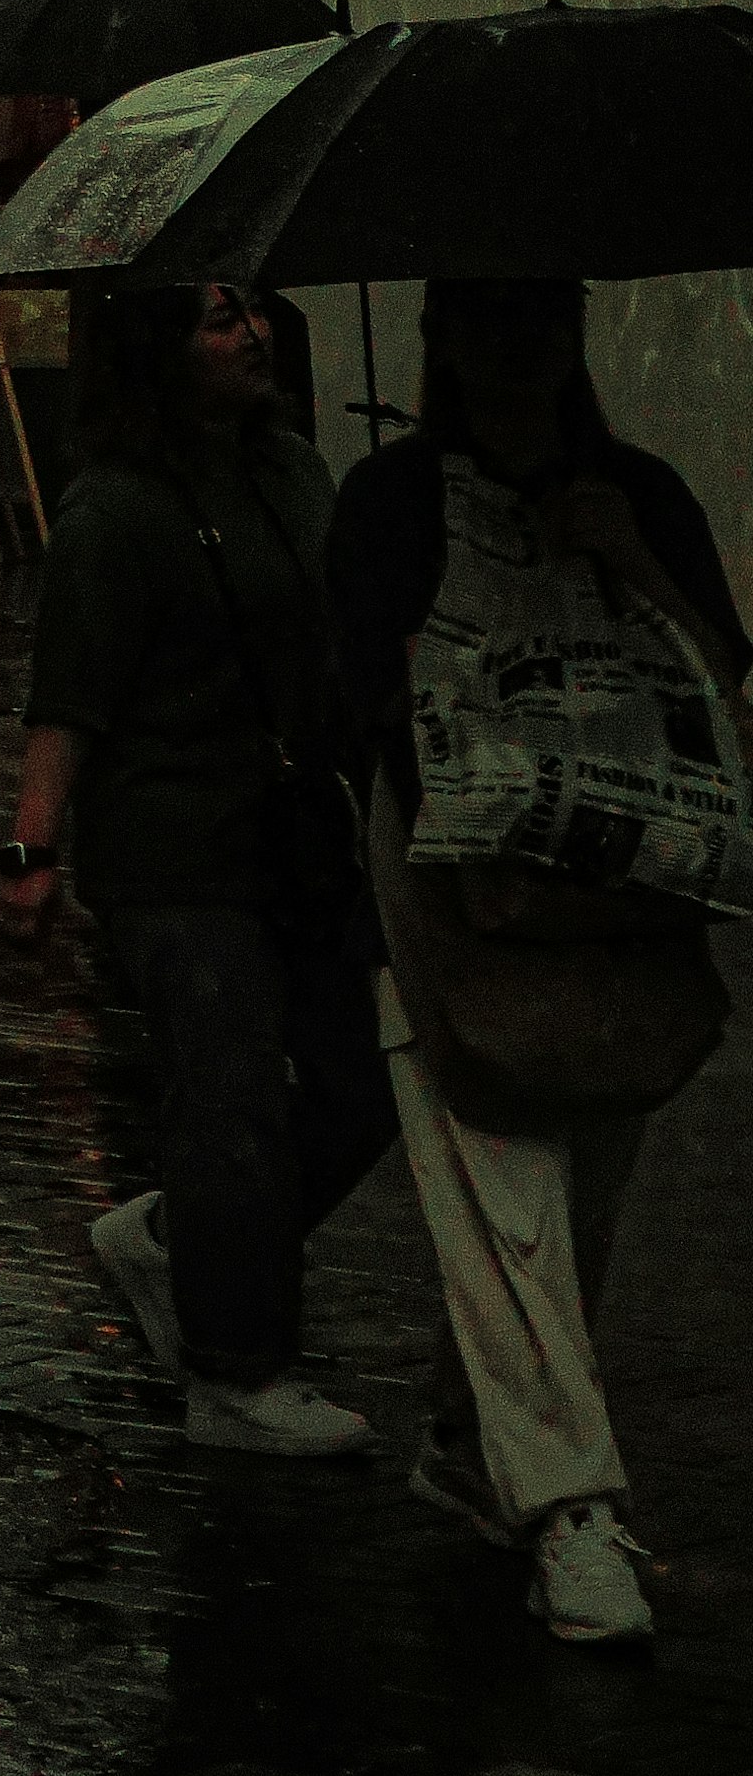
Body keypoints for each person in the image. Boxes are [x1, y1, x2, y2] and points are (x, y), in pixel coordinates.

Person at [327, 277, 749, 1643]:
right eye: (493, 328)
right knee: (496, 1180)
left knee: (580, 1196)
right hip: (455, 891)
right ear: (447, 342)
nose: (521, 357)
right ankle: (572, 1507)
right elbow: (344, 698)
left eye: (544, 326)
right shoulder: (392, 503)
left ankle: (468, 1441)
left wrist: (629, 558)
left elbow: (721, 690)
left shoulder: (642, 493)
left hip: (618, 898)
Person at [0, 275, 394, 1454]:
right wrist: (31, 844)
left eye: (251, 311)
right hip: (176, 849)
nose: (253, 332)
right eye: (219, 319)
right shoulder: (115, 510)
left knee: (362, 1084)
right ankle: (235, 1369)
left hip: (300, 835)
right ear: (160, 352)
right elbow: (67, 693)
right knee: (229, 1104)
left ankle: (179, 1243)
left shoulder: (295, 472)